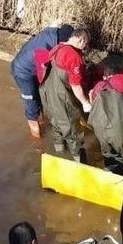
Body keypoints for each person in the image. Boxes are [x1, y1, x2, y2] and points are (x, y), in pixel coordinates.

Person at [10, 23, 74, 138]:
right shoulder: (43, 50)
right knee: (31, 99)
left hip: (28, 63)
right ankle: (35, 132)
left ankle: (41, 118)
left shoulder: (52, 33)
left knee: (39, 96)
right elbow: (42, 77)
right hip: (23, 72)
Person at [39, 28, 92, 161]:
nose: (86, 47)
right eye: (86, 44)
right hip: (62, 97)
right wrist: (85, 103)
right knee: (72, 129)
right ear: (81, 40)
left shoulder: (58, 47)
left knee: (56, 123)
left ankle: (59, 152)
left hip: (47, 93)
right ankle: (79, 161)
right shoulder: (74, 57)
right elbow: (75, 85)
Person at [87, 57, 123, 173]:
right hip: (120, 126)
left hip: (100, 128)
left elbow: (93, 106)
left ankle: (109, 173)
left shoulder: (98, 86)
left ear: (106, 74)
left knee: (108, 155)